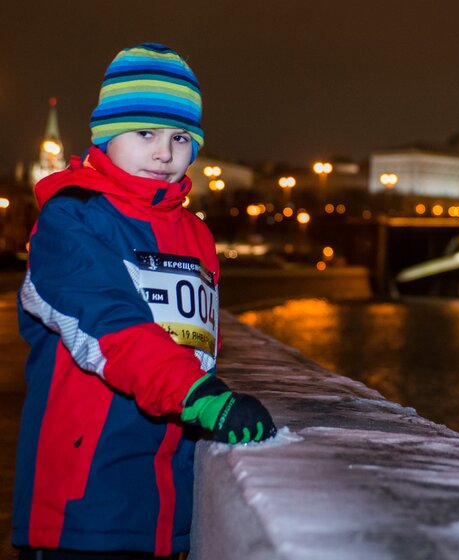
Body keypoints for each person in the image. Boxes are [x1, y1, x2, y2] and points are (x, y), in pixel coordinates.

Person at [13, 43, 277, 559]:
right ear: (106, 137)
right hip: (84, 507)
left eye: (181, 138)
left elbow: (195, 346)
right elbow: (111, 328)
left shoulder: (196, 235)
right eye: (145, 134)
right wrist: (202, 398)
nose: (165, 153)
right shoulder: (72, 221)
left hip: (168, 509)